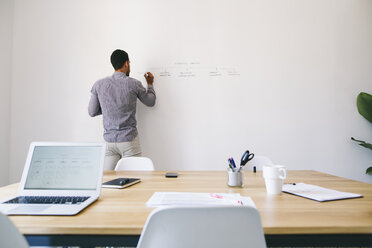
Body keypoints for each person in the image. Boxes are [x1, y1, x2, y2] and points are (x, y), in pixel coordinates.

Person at [88, 49, 156, 170]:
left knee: (109, 181)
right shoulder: (134, 84)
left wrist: (109, 108)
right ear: (126, 64)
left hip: (109, 142)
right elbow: (150, 102)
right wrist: (150, 84)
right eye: (129, 63)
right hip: (128, 140)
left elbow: (92, 112)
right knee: (134, 180)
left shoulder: (99, 84)